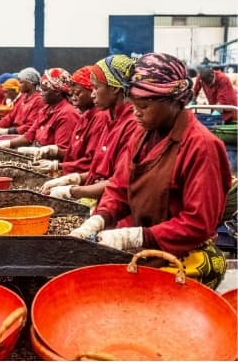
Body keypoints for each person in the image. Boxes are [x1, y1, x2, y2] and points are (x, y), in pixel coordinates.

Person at [70, 53, 232, 289]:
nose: (136, 112)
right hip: (146, 247)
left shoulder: (201, 146)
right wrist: (99, 218)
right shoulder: (142, 134)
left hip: (182, 254)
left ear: (174, 101)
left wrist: (136, 236)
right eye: (134, 104)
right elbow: (119, 186)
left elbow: (198, 224)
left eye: (144, 106)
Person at [41, 55, 138, 200]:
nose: (93, 94)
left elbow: (120, 181)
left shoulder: (129, 124)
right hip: (98, 196)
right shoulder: (110, 119)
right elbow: (98, 169)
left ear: (114, 88)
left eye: (95, 87)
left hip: (110, 203)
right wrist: (73, 179)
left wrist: (73, 189)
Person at [24, 65, 110, 174]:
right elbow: (73, 154)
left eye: (78, 93)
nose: (73, 98)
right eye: (72, 93)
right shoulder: (85, 116)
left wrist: (56, 165)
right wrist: (54, 151)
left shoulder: (95, 118)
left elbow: (91, 162)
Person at [0, 68, 79, 152]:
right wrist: (6, 144)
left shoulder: (67, 114)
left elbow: (62, 150)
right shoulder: (45, 110)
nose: (41, 94)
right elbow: (29, 135)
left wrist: (38, 151)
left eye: (45, 90)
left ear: (57, 92)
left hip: (49, 162)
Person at [0, 71, 43, 135]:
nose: (19, 85)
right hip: (15, 131)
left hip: (23, 135)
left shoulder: (38, 100)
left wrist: (8, 131)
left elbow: (30, 126)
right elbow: (10, 116)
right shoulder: (23, 97)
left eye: (21, 82)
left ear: (30, 83)